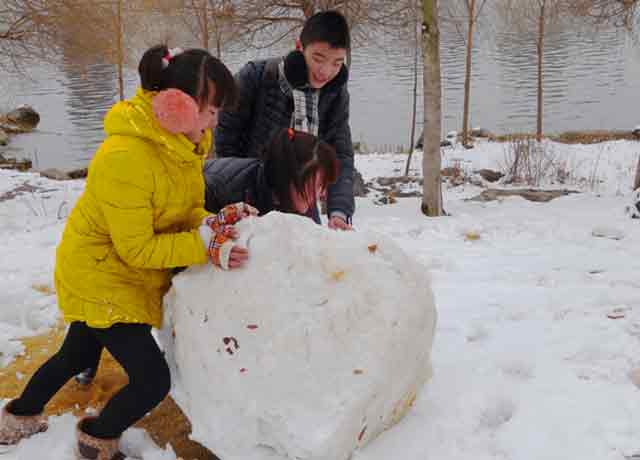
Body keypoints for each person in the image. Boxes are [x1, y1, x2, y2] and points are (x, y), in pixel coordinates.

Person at [0, 45, 255, 459]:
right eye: (211, 110)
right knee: (153, 381)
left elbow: (181, 210)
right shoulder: (126, 157)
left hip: (116, 269)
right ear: (177, 105)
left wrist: (213, 222)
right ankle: (98, 438)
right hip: (103, 275)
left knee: (76, 354)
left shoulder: (181, 145)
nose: (215, 121)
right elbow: (137, 248)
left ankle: (19, 417)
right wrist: (203, 245)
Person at [214, 10, 355, 229]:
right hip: (250, 195)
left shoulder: (335, 93)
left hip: (303, 197)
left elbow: (340, 153)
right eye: (318, 59)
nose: (325, 72)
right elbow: (224, 143)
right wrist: (243, 198)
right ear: (299, 47)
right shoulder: (255, 77)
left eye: (337, 63)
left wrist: (339, 211)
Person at [204, 127, 339, 218]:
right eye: (320, 185)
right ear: (290, 177)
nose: (323, 194)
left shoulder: (298, 198)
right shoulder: (221, 190)